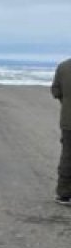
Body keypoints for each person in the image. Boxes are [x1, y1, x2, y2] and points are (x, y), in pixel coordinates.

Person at [53, 56, 71, 204]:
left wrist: (65, 102)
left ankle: (64, 194)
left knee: (67, 156)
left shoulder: (63, 67)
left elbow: (55, 91)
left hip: (68, 120)